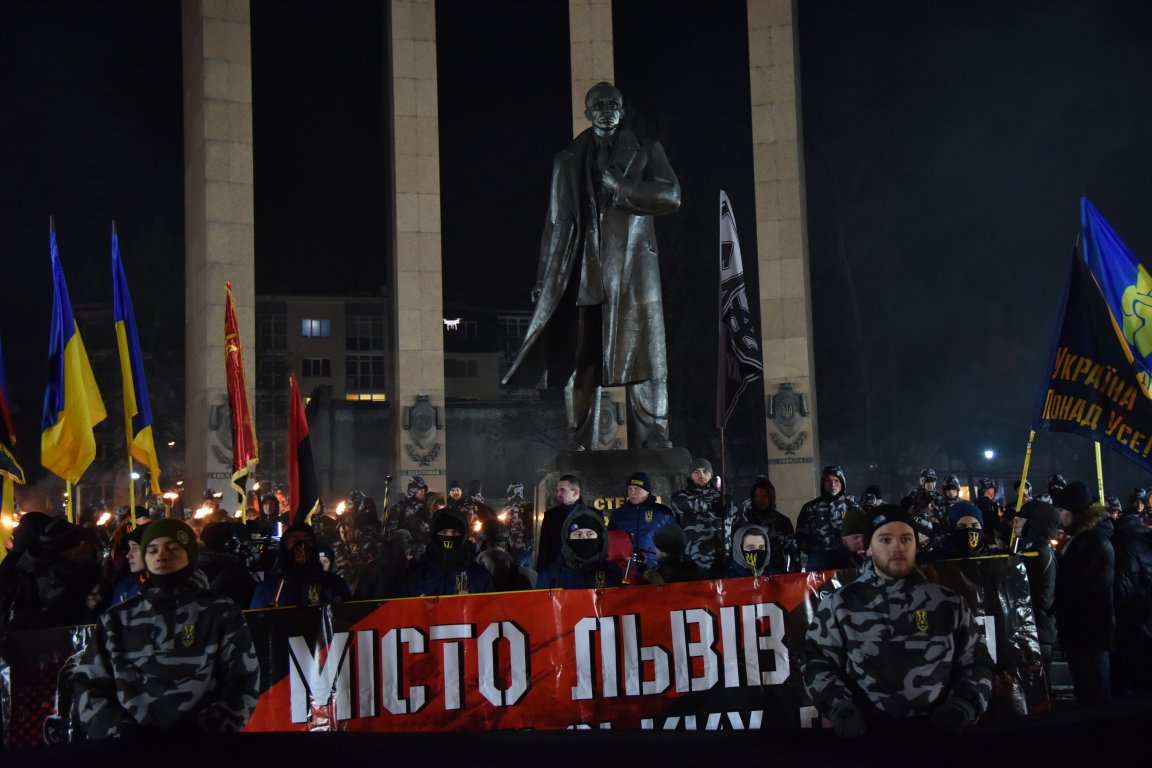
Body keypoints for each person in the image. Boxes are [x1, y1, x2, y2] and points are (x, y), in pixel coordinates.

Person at [501, 81, 682, 450]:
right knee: (582, 359)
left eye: (611, 103)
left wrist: (622, 187)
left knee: (644, 354)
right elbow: (554, 223)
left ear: (622, 109)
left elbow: (671, 195)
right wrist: (543, 278)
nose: (604, 109)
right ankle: (581, 438)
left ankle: (652, 434)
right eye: (597, 104)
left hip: (632, 271)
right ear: (587, 112)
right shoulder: (567, 159)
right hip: (584, 270)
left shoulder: (647, 151)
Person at [803, 504, 993, 737]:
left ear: (916, 544)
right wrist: (840, 709)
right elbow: (817, 662)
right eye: (885, 539)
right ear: (869, 548)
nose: (897, 547)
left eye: (906, 539)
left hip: (938, 738)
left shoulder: (949, 603)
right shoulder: (840, 604)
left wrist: (961, 707)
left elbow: (977, 663)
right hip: (867, 739)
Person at [73, 517, 260, 737]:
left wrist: (209, 728)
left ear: (190, 555)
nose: (161, 555)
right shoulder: (116, 618)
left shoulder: (220, 612)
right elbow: (89, 685)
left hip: (204, 748)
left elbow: (243, 681)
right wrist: (120, 732)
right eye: (152, 550)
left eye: (172, 548)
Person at [1053, 481, 1115, 705]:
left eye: (1062, 511)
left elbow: (1074, 586)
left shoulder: (1091, 542)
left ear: (1074, 511)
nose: (1060, 516)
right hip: (1086, 629)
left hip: (1089, 630)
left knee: (1095, 691)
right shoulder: (1086, 538)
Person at [250, 523, 351, 609]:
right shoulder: (270, 588)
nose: (302, 546)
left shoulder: (334, 584)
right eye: (295, 541)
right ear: (285, 547)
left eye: (307, 541)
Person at [400, 508, 494, 597]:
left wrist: (471, 605)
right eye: (443, 532)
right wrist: (416, 608)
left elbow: (492, 610)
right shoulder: (414, 575)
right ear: (433, 535)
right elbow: (399, 610)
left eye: (455, 533)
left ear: (463, 537)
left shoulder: (480, 575)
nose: (449, 537)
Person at [536, 507, 624, 589]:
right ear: (567, 538)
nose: (584, 538)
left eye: (590, 534)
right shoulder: (550, 576)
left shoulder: (613, 573)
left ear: (600, 538)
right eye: (578, 534)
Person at [669, 457, 729, 577]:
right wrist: (711, 504)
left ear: (711, 475)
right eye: (696, 472)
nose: (701, 475)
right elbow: (685, 504)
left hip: (721, 560)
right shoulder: (681, 496)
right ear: (691, 476)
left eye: (705, 471)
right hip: (693, 561)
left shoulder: (723, 498)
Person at [608, 471, 675, 575]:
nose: (632, 492)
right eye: (630, 488)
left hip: (655, 570)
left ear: (647, 491)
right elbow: (610, 544)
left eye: (636, 488)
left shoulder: (663, 512)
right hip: (625, 571)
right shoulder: (618, 514)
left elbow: (673, 542)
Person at [796, 465, 859, 571]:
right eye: (828, 480)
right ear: (823, 483)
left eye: (836, 480)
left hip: (847, 561)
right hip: (818, 561)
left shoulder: (852, 507)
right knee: (818, 588)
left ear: (842, 483)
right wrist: (814, 550)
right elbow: (800, 535)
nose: (832, 484)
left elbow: (861, 535)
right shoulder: (811, 507)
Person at [536, 475, 594, 572]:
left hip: (585, 573)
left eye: (562, 490)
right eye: (557, 490)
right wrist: (542, 575)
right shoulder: (550, 516)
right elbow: (544, 549)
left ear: (575, 492)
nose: (558, 493)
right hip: (556, 574)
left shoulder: (593, 515)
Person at [383, 476, 431, 559]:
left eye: (423, 489)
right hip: (407, 549)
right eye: (419, 489)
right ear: (413, 489)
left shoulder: (426, 506)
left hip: (425, 548)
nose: (422, 492)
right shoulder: (401, 506)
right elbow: (391, 529)